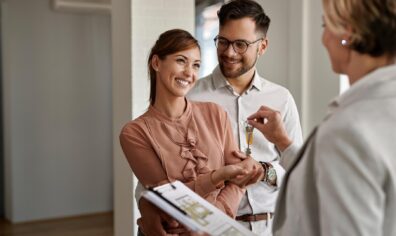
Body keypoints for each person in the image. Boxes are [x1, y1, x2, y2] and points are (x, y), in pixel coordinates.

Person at [247, 0, 396, 235]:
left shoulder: (348, 130)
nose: (323, 38)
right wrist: (283, 142)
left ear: (348, 33)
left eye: (325, 24)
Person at [119, 29, 262, 236]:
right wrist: (218, 176)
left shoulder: (215, 113)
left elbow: (238, 181)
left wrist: (210, 223)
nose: (189, 73)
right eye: (181, 61)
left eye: (196, 65)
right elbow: (168, 198)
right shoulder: (134, 133)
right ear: (156, 63)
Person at [187, 1, 303, 235]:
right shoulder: (191, 97)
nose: (229, 52)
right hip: (209, 226)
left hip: (269, 228)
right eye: (223, 42)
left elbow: (296, 168)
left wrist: (263, 170)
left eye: (241, 44)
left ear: (262, 46)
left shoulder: (281, 98)